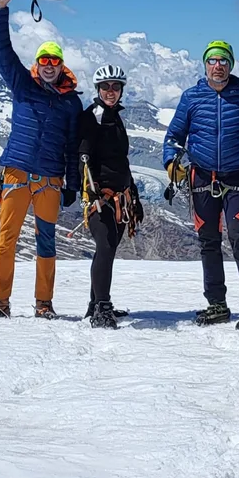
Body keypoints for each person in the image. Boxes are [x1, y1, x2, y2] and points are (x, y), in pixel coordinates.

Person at [0, 0, 84, 319]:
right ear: (37, 65)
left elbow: (73, 146)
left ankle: (44, 303)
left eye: (55, 61)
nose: (50, 65)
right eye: (44, 60)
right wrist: (0, 9)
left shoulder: (71, 104)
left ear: (61, 65)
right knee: (6, 239)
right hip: (17, 172)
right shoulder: (22, 86)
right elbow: (2, 50)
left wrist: (71, 184)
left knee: (47, 243)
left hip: (51, 179)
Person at [162, 40, 239, 331]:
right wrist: (171, 161)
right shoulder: (192, 97)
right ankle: (217, 304)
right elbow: (174, 135)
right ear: (205, 64)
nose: (218, 65)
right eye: (212, 60)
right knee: (208, 242)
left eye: (223, 60)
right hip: (201, 178)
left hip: (237, 178)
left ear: (231, 64)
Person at [76, 63, 143, 329]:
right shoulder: (92, 116)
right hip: (100, 197)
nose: (111, 91)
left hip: (119, 196)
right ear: (98, 89)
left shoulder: (114, 117)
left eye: (116, 87)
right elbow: (85, 157)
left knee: (108, 248)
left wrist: (132, 191)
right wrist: (92, 194)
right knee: (104, 246)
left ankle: (97, 303)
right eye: (106, 87)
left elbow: (120, 161)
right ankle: (101, 308)